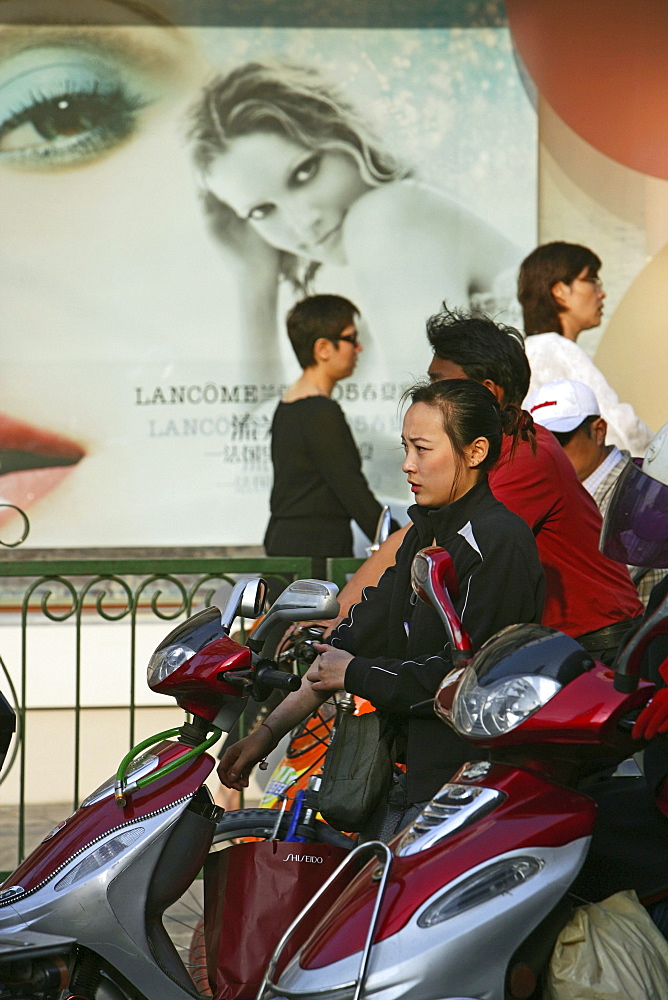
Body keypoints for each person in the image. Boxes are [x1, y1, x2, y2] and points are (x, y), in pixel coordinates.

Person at [218, 379, 545, 835]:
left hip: (469, 792)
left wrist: (354, 673)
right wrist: (265, 734)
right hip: (408, 780)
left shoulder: (498, 541)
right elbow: (344, 648)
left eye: (423, 449)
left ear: (475, 453)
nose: (408, 465)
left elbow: (461, 683)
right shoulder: (420, 535)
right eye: (405, 448)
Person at [324, 309, 643, 659]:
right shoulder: (493, 451)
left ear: (487, 391)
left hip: (595, 647)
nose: (431, 394)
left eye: (441, 382)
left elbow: (432, 541)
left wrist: (338, 616)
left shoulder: (525, 452)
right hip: (553, 645)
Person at [188, 60, 520, 377]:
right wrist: (254, 281)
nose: (303, 222)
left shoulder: (387, 214)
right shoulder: (364, 309)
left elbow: (428, 423)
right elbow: (256, 431)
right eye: (262, 211)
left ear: (344, 135)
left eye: (305, 172)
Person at [264, 294, 393, 578]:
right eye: (350, 338)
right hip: (312, 557)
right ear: (323, 348)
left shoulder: (289, 405)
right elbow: (352, 491)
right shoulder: (319, 411)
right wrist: (402, 544)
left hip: (292, 551)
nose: (358, 348)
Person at [526, 378, 666, 605]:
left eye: (559, 439)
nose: (548, 452)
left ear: (599, 431)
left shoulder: (640, 497)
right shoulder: (547, 493)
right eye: (537, 444)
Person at [517, 242, 652, 455]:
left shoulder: (528, 351)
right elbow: (620, 429)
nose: (602, 294)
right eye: (592, 281)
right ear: (560, 290)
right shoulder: (555, 349)